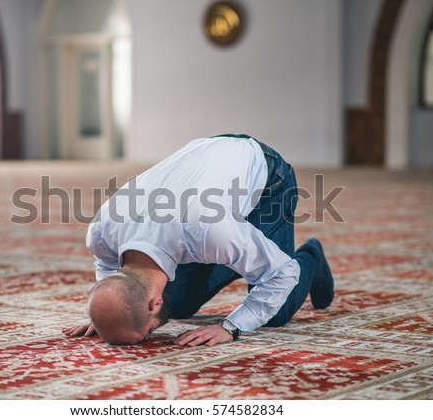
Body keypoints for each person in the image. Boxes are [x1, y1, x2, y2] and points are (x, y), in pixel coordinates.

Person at [63, 134, 334, 346]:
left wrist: (231, 327)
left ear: (153, 303)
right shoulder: (101, 231)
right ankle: (244, 254)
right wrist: (107, 318)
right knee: (178, 304)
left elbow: (282, 273)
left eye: (146, 335)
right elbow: (111, 279)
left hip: (267, 180)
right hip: (207, 183)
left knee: (275, 312)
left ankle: (311, 255)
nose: (150, 337)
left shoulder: (207, 230)